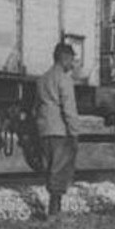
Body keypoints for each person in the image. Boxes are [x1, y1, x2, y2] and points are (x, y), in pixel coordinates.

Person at [34, 42, 81, 218]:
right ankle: (54, 213)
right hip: (60, 130)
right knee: (60, 171)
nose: (73, 64)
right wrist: (74, 132)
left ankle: (54, 211)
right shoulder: (64, 79)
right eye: (72, 60)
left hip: (44, 129)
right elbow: (69, 108)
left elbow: (37, 105)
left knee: (50, 168)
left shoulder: (42, 78)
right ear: (65, 58)